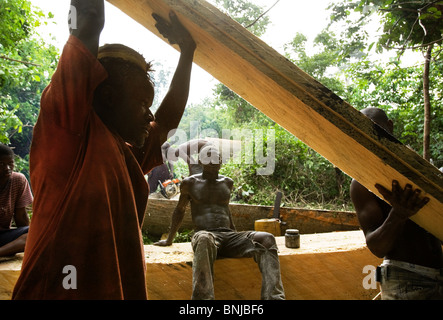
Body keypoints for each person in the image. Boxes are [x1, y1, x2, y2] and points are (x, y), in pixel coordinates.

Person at [13, 0, 196, 299]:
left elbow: (164, 123)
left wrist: (187, 52)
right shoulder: (69, 129)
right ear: (108, 97)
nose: (149, 116)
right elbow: (88, 18)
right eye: (142, 104)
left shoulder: (126, 153)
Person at [154, 145, 285, 300]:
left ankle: (274, 298)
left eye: (217, 158)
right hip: (206, 235)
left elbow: (225, 209)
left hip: (228, 236)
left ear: (221, 162)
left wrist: (236, 235)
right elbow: (179, 210)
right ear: (201, 160)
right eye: (209, 157)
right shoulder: (189, 183)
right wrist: (169, 239)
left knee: (267, 238)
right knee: (203, 239)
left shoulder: (227, 182)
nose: (214, 161)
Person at [350, 107, 443, 300]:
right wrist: (398, 214)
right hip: (405, 280)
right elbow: (377, 247)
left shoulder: (415, 169)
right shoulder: (363, 183)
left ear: (390, 126)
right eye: (364, 130)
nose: (371, 135)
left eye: (376, 128)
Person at [0, 144, 33, 258]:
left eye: (10, 163)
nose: (7, 168)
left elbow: (21, 217)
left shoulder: (18, 180)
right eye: (1, 164)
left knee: (37, 232)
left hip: (3, 237)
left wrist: (29, 237)